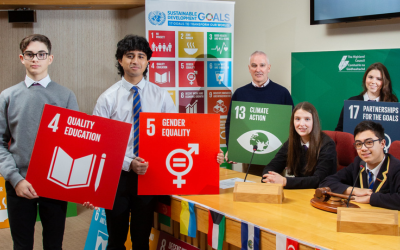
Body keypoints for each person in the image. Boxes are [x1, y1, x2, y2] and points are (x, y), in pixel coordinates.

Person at [86, 35, 224, 250]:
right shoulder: (107, 98)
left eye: (141, 56)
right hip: (117, 176)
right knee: (116, 240)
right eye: (129, 56)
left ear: (147, 61)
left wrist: (209, 154)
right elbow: (100, 144)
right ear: (120, 60)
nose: (135, 61)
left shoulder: (160, 96)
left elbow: (178, 135)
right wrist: (128, 163)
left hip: (150, 176)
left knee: (142, 239)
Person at [0, 34, 79, 249]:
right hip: (19, 184)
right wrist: (16, 179)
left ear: (50, 58)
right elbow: (0, 142)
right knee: (21, 245)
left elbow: (77, 145)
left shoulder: (66, 96)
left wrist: (85, 189)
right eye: (30, 54)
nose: (36, 59)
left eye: (41, 54)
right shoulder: (7, 96)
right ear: (22, 58)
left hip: (55, 184)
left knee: (54, 244)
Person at [225, 51, 294, 176]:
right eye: (254, 65)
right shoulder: (240, 94)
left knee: (274, 193)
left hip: (277, 159)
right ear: (249, 68)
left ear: (269, 68)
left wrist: (291, 154)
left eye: (262, 65)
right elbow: (231, 124)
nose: (258, 69)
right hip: (249, 158)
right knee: (249, 190)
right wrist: (232, 149)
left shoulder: (282, 93)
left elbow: (291, 126)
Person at [320, 121, 400, 210]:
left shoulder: (396, 168)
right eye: (358, 144)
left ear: (382, 143)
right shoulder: (359, 164)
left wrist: (371, 198)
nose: (363, 148)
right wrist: (354, 190)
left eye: (369, 142)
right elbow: (326, 182)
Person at [262, 102, 337, 188]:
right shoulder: (293, 141)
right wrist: (268, 178)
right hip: (299, 192)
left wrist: (284, 181)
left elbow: (318, 180)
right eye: (297, 119)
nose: (301, 124)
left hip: (321, 194)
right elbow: (272, 165)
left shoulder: (327, 145)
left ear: (314, 121)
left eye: (307, 119)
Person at [335, 62, 398, 131]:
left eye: (379, 79)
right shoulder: (352, 102)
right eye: (370, 77)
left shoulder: (392, 103)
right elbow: (340, 130)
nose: (373, 81)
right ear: (365, 78)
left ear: (384, 82)